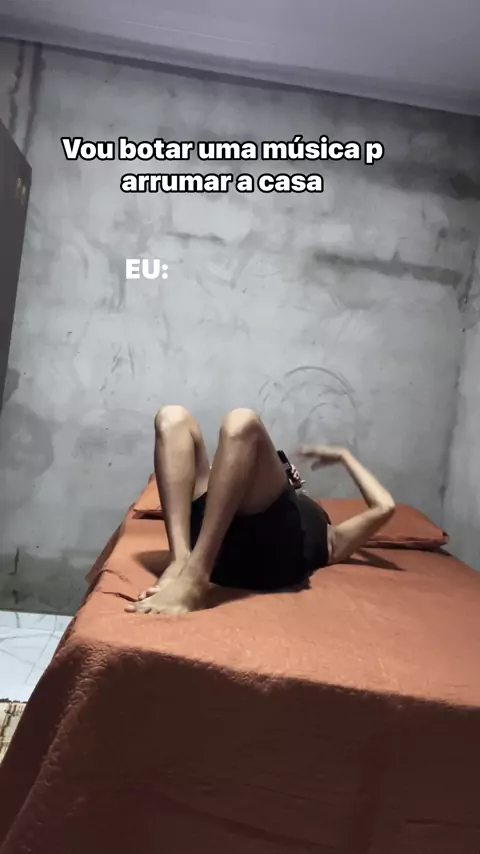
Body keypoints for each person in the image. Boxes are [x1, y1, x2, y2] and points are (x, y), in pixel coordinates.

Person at [126, 406, 395, 616]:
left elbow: (384, 506)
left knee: (243, 422)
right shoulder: (255, 494)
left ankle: (195, 575)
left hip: (267, 557)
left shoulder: (331, 538)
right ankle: (179, 560)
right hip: (212, 529)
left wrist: (343, 455)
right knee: (171, 417)